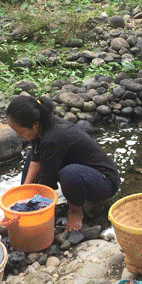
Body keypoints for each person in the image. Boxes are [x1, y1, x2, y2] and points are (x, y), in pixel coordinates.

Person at [6, 96, 120, 232]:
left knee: (69, 173)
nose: (18, 135)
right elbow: (36, 158)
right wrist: (24, 191)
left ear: (35, 124)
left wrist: (31, 207)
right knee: (32, 155)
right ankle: (28, 194)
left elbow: (47, 182)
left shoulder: (53, 138)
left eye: (21, 132)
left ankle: (75, 211)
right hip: (82, 170)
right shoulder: (42, 126)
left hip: (105, 181)